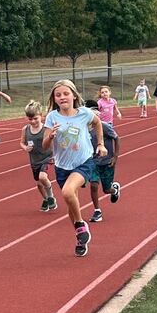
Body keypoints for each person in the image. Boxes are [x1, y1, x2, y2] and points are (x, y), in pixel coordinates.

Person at [43, 80, 107, 257]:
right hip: (62, 166)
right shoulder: (52, 117)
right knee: (71, 203)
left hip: (83, 162)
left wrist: (100, 144)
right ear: (54, 99)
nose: (62, 97)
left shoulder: (84, 113)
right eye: (58, 95)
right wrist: (51, 136)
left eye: (65, 93)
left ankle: (80, 224)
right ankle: (80, 237)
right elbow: (45, 144)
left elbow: (98, 123)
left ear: (73, 95)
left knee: (67, 192)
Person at [84, 100, 121, 223]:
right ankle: (97, 211)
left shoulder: (103, 126)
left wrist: (115, 156)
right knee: (94, 185)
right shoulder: (83, 128)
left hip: (107, 162)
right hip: (92, 162)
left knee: (106, 190)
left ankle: (114, 190)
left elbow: (116, 138)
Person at [20, 100, 57, 212]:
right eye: (30, 119)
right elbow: (21, 142)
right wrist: (25, 147)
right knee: (39, 184)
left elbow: (53, 141)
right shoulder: (25, 129)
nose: (33, 121)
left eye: (35, 118)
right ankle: (46, 199)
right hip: (34, 160)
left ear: (41, 116)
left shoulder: (46, 128)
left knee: (42, 177)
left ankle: (51, 197)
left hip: (47, 157)